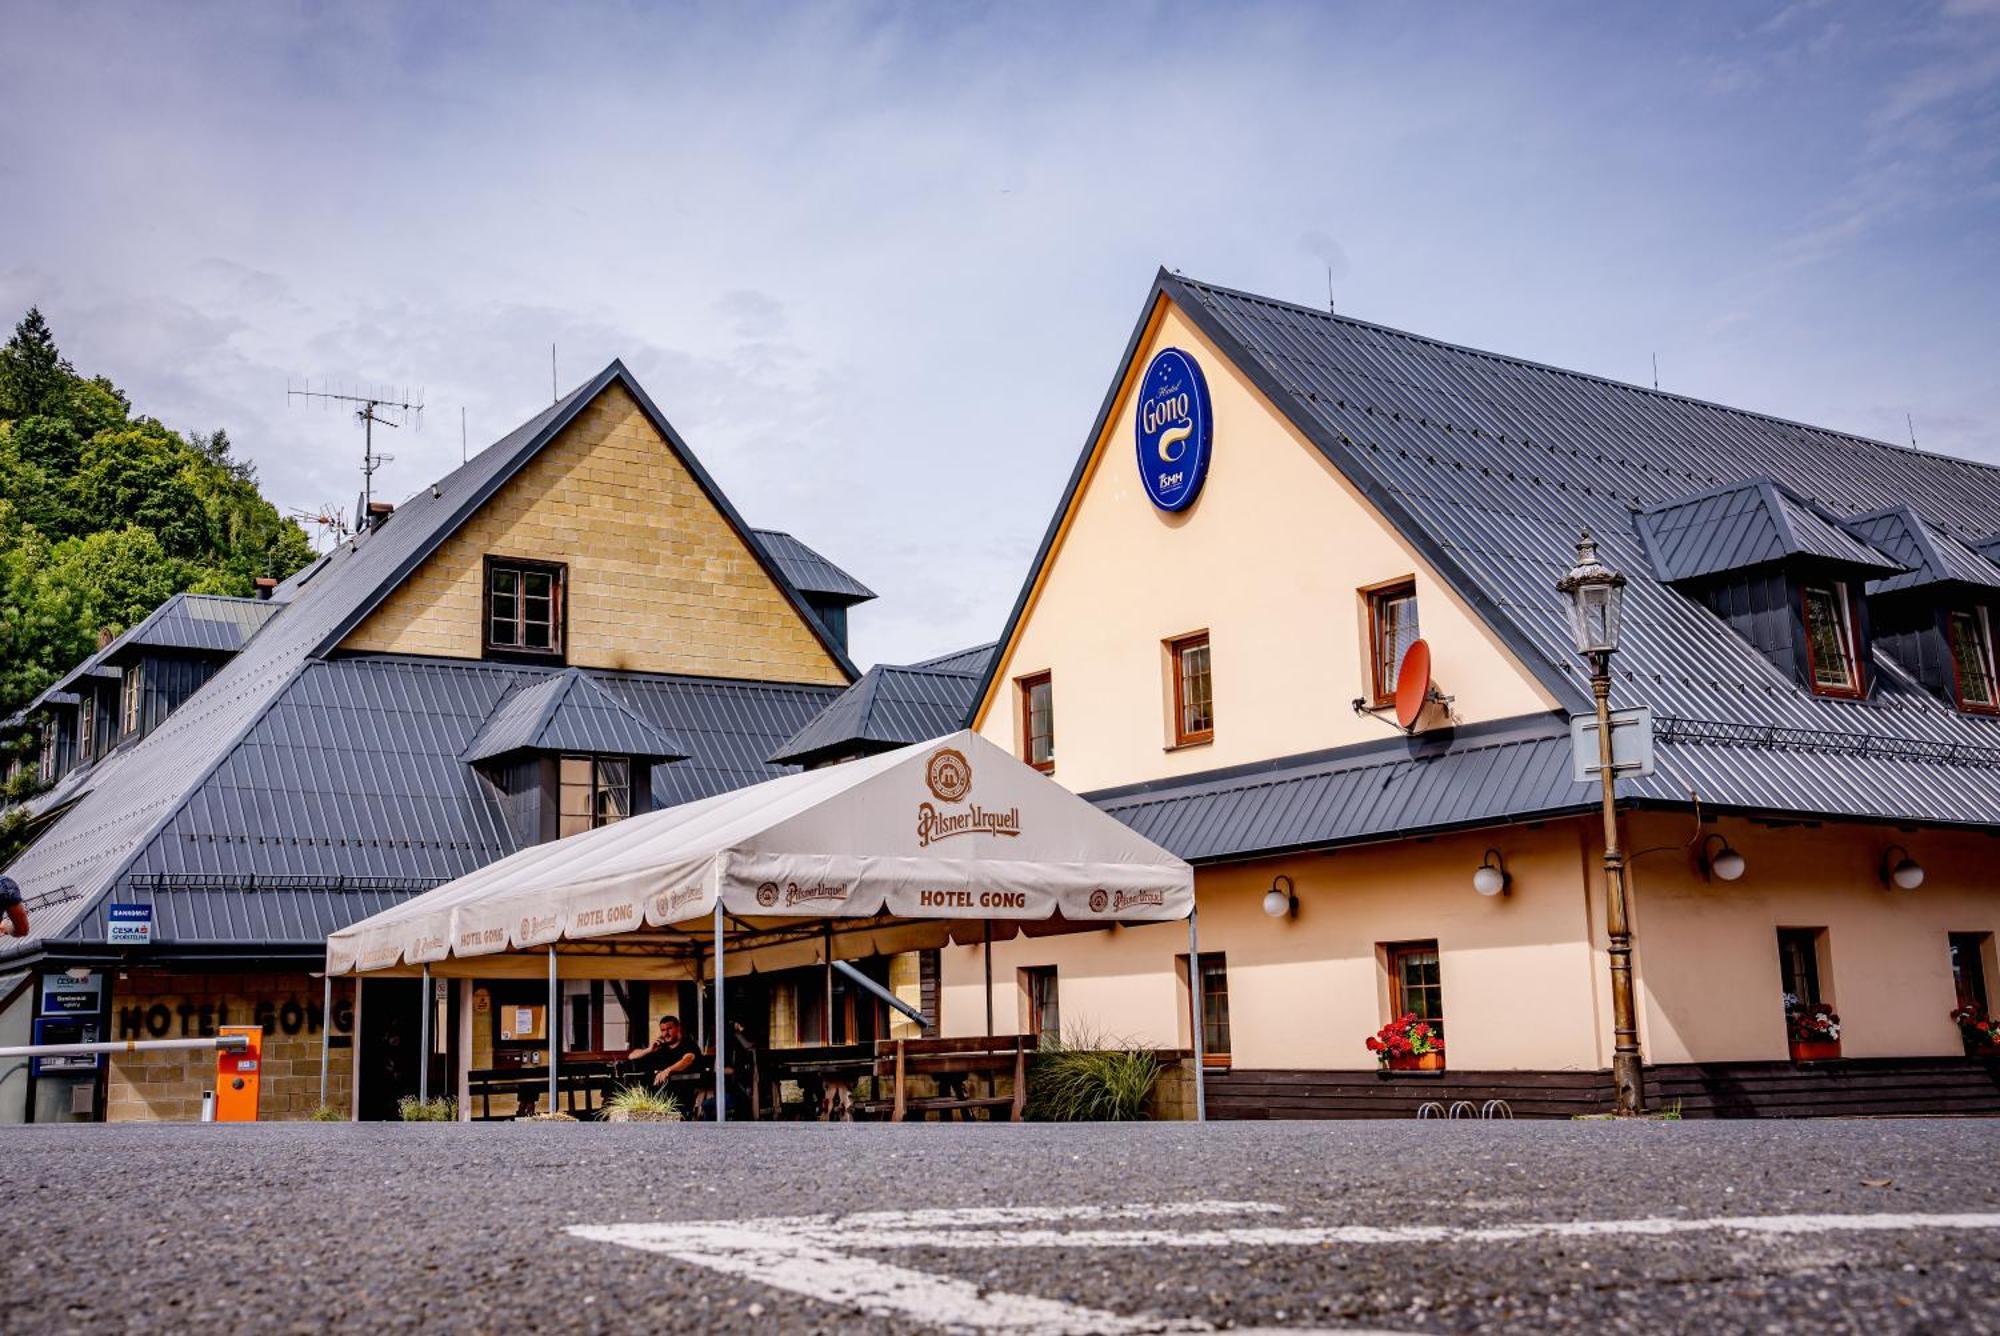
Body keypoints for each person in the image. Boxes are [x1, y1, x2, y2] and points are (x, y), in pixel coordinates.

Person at [628, 1015, 701, 1095]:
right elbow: (631, 1056)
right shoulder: (661, 1047)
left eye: (669, 1029)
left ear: (678, 1028)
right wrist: (649, 1049)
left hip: (683, 1091)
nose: (666, 1033)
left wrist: (667, 1071)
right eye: (663, 1030)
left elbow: (687, 1060)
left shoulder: (688, 1044)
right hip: (659, 1092)